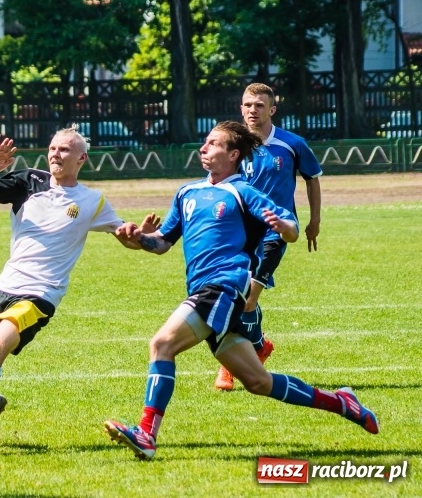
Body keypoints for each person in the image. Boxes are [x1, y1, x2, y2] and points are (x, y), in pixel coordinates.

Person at [104, 121, 377, 461]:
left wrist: (286, 227)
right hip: (206, 291)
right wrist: (136, 239)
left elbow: (289, 228)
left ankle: (146, 434)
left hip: (224, 287)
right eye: (205, 142)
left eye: (213, 143)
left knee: (162, 344)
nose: (203, 147)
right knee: (258, 382)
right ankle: (342, 402)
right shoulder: (187, 192)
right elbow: (161, 243)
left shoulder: (243, 191)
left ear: (233, 154)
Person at [0, 125, 138, 450]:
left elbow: (125, 235)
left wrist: (137, 234)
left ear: (82, 158)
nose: (56, 154)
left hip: (41, 294)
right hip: (4, 285)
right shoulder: (28, 181)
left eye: (65, 149)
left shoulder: (92, 201)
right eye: (53, 148)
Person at [214, 83, 323, 391]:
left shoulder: (292, 144)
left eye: (260, 105)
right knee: (236, 296)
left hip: (277, 230)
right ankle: (260, 345)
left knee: (248, 299)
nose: (253, 110)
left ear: (272, 109)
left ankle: (228, 367)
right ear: (241, 108)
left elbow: (312, 179)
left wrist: (314, 220)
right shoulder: (232, 146)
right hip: (239, 233)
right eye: (248, 105)